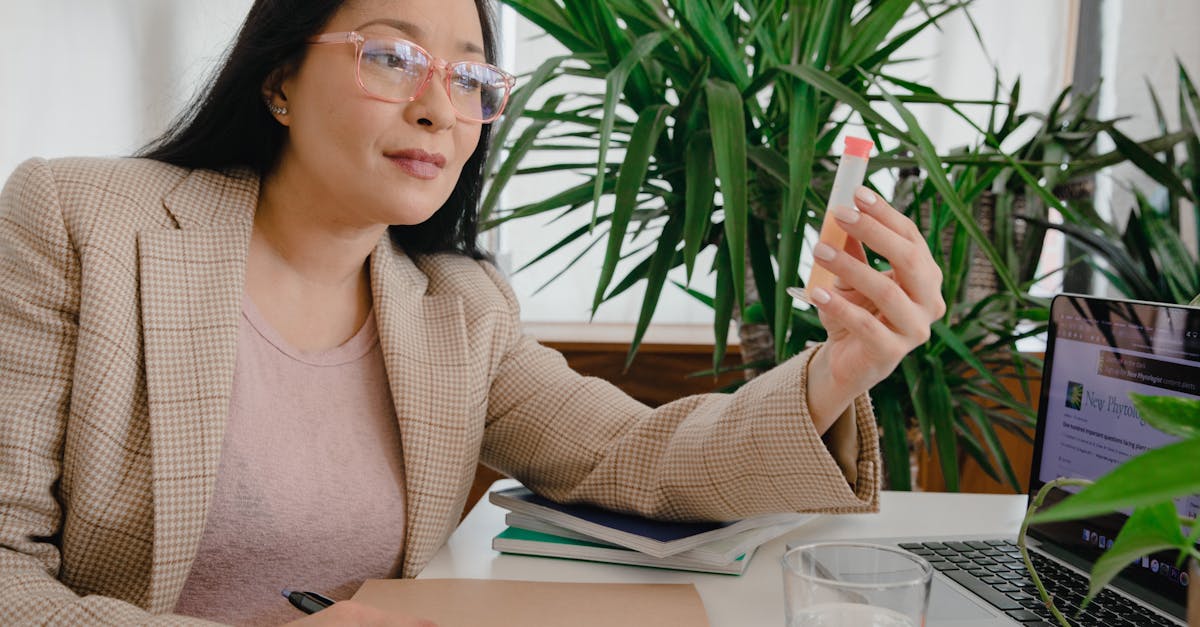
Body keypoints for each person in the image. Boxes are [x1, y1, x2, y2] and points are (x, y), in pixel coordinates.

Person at [0, 0, 946, 625]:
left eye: (468, 79)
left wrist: (840, 367)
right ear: (279, 79)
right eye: (390, 56)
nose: (437, 108)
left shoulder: (457, 307)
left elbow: (637, 457)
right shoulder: (80, 224)